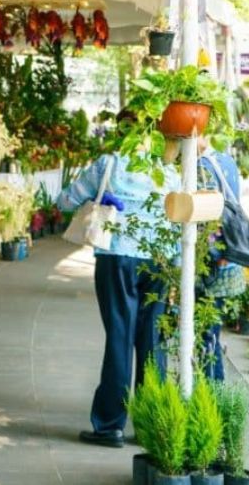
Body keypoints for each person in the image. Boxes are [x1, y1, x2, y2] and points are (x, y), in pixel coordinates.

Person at [57, 110, 180, 448]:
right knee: (152, 339)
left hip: (116, 257)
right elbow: (179, 218)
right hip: (159, 260)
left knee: (119, 337)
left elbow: (64, 200)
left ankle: (110, 425)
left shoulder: (107, 164)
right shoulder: (167, 171)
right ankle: (151, 424)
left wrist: (98, 197)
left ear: (120, 132)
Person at [198, 138, 245, 382]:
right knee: (212, 327)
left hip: (211, 258)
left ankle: (211, 389)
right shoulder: (227, 161)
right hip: (228, 256)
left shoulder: (202, 167)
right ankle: (215, 387)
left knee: (205, 329)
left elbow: (204, 214)